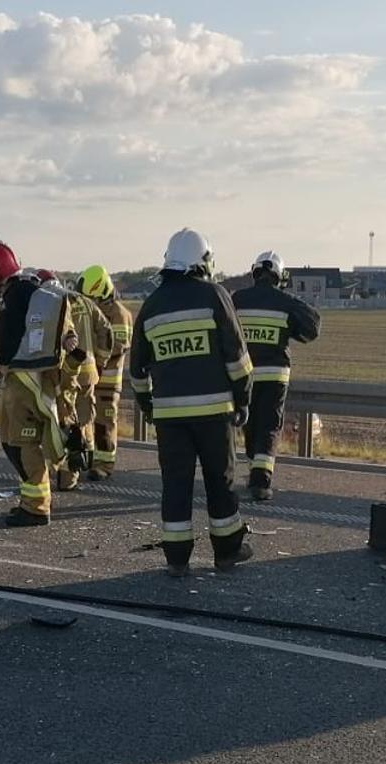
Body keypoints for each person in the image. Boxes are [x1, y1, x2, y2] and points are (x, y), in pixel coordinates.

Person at [127, 228, 254, 577]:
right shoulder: (215, 295)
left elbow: (136, 369)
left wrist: (148, 406)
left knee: (176, 485)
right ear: (204, 261)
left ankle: (176, 560)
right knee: (220, 481)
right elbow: (238, 358)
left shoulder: (151, 305)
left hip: (169, 417)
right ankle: (227, 552)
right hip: (214, 413)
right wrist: (243, 399)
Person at [0, 244, 86, 527]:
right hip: (40, 379)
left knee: (22, 444)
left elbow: (6, 347)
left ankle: (36, 508)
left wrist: (2, 362)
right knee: (27, 443)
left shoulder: (15, 297)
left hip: (24, 386)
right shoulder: (35, 293)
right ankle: (32, 502)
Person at [230, 251, 321, 501]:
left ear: (255, 272)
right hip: (275, 376)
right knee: (269, 425)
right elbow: (312, 328)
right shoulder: (286, 301)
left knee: (249, 423)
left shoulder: (237, 299)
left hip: (243, 374)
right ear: (280, 276)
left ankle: (253, 471)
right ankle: (261, 481)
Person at [36, 270, 116, 492]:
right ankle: (82, 463)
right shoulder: (84, 301)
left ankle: (67, 475)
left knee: (64, 421)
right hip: (87, 371)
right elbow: (106, 332)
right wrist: (100, 360)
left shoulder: (49, 305)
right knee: (84, 419)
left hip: (64, 372)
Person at [77, 264, 133, 480]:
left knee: (104, 424)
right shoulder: (94, 311)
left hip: (108, 382)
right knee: (86, 421)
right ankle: (91, 459)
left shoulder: (119, 313)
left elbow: (117, 347)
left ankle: (105, 465)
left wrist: (95, 358)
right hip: (91, 379)